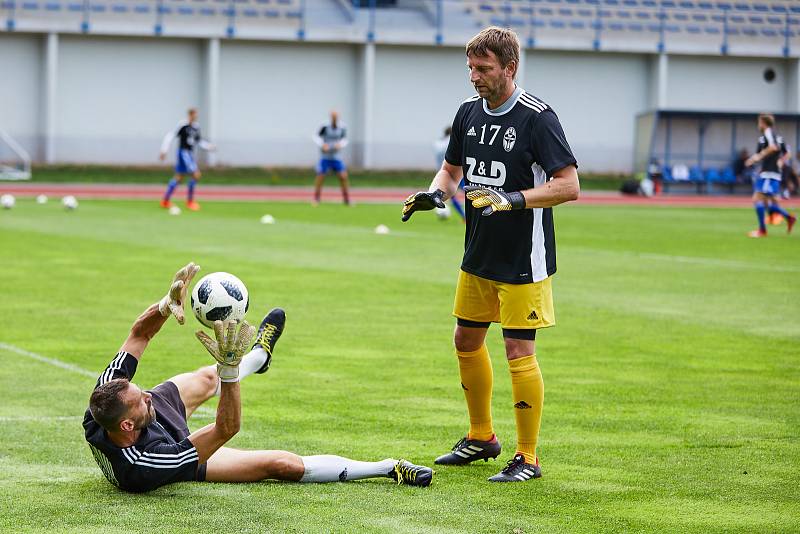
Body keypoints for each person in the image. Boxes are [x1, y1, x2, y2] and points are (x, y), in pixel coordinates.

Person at [401, 27, 579, 483]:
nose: (474, 77)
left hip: (524, 256)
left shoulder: (538, 117)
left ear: (509, 68)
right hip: (478, 252)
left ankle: (528, 457)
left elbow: (568, 184)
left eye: (484, 69)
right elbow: (450, 170)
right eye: (470, 68)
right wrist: (434, 195)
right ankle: (481, 436)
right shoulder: (466, 114)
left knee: (518, 348)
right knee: (465, 340)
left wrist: (514, 200)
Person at [84, 263, 433, 493]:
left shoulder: (106, 399)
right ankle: (389, 467)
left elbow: (138, 336)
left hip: (149, 433)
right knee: (279, 464)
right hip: (171, 454)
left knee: (206, 380)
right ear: (128, 426)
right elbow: (226, 429)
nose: (147, 393)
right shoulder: (149, 465)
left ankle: (259, 357)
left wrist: (165, 304)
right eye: (141, 399)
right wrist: (230, 370)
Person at [744, 114, 796, 237]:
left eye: (759, 122)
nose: (758, 125)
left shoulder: (766, 135)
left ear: (763, 123)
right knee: (770, 204)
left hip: (769, 173)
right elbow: (788, 153)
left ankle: (762, 230)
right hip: (771, 173)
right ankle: (789, 218)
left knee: (757, 199)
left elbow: (773, 147)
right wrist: (781, 161)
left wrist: (755, 158)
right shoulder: (779, 137)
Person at [159, 108, 215, 211]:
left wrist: (209, 146)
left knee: (179, 177)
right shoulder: (183, 125)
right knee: (196, 175)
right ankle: (190, 202)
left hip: (189, 153)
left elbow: (199, 141)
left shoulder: (196, 127)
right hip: (183, 153)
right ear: (190, 115)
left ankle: (165, 201)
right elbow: (170, 136)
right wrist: (164, 150)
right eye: (194, 114)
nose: (196, 116)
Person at [312, 111, 350, 206]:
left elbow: (345, 139)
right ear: (330, 117)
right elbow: (316, 137)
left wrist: (340, 145)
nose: (334, 118)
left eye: (336, 116)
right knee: (320, 176)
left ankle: (346, 199)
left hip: (336, 157)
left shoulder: (342, 127)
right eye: (333, 116)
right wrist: (322, 145)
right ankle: (316, 198)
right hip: (325, 157)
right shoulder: (324, 126)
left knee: (343, 176)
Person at [433, 126, 466, 221]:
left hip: (443, 173)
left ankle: (464, 216)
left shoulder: (437, 143)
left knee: (452, 196)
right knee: (470, 192)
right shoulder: (452, 141)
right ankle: (470, 215)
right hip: (457, 171)